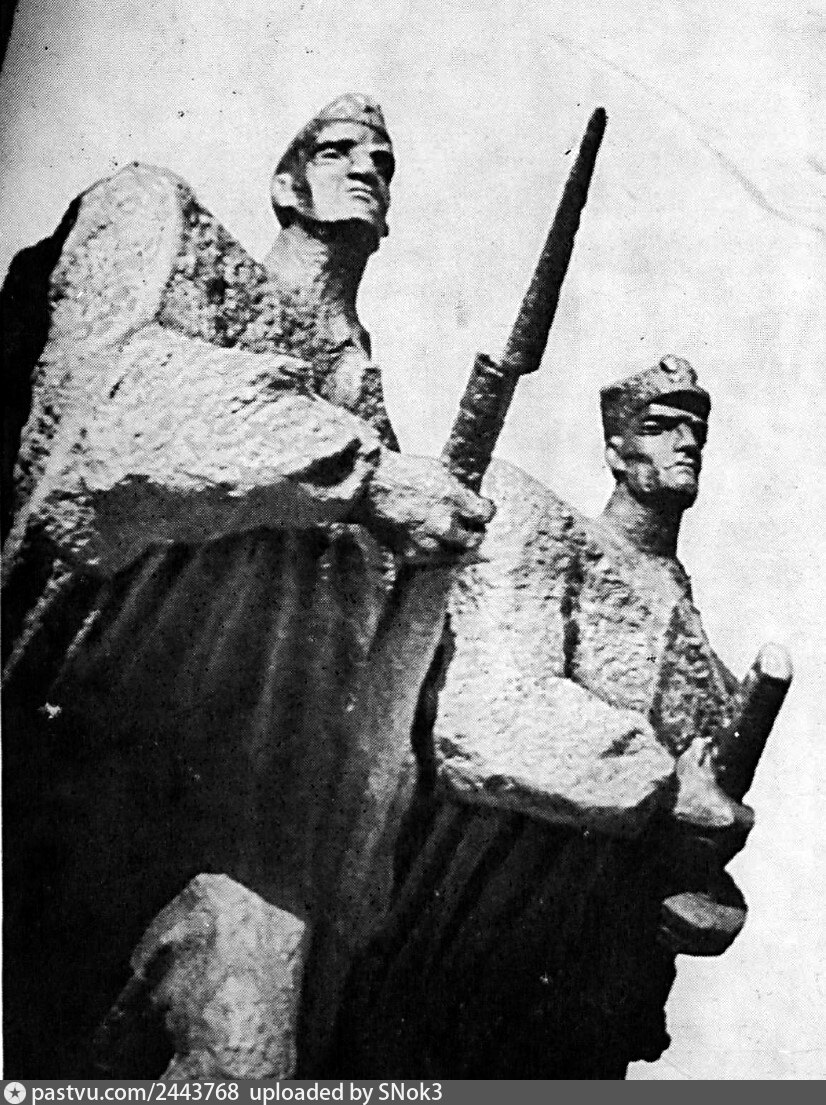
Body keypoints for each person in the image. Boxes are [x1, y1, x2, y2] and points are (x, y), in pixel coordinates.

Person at [1, 94, 492, 1077]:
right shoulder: (173, 233)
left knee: (248, 1060)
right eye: (339, 151)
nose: (367, 168)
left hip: (234, 831)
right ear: (286, 184)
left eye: (383, 162)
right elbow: (117, 418)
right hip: (60, 761)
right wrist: (366, 479)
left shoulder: (378, 418)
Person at [329, 356, 756, 1078]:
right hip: (467, 920)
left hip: (586, 989)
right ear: (616, 450)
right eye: (661, 426)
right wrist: (666, 789)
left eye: (696, 432)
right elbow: (489, 715)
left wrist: (710, 882)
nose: (687, 442)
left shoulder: (712, 672)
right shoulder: (540, 526)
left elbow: (694, 846)